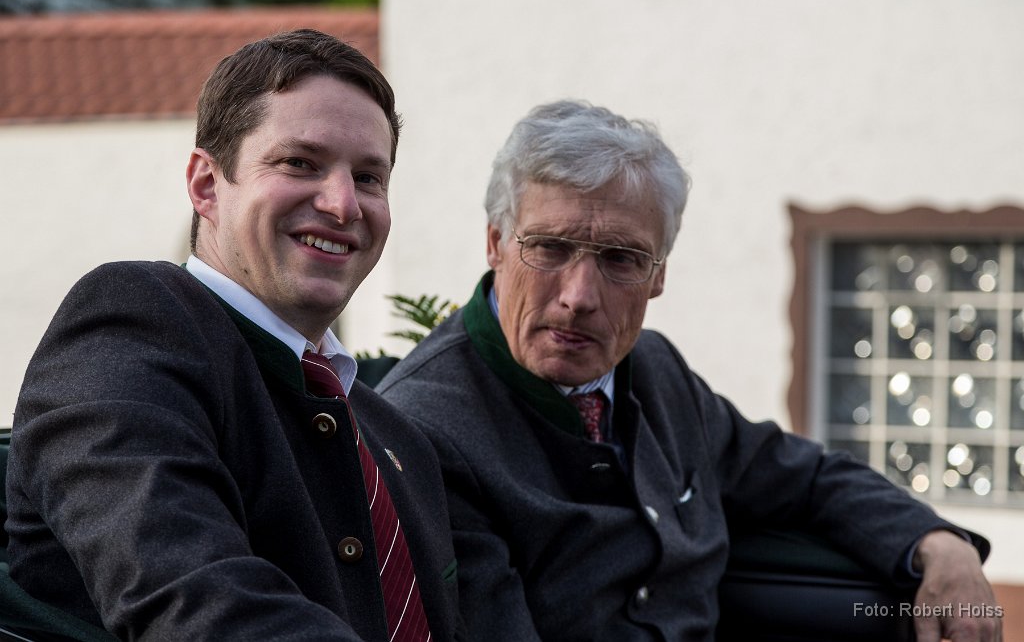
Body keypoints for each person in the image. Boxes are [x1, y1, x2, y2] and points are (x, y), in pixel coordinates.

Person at [376, 100, 1002, 641]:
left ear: (659, 276)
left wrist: (939, 544)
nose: (579, 296)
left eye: (621, 258)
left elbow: (799, 476)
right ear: (495, 243)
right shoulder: (424, 430)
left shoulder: (654, 370)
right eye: (550, 247)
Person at [6, 29, 460, 641]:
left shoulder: (398, 441)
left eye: (369, 177)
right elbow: (191, 598)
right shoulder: (133, 323)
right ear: (205, 185)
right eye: (299, 163)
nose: (344, 204)